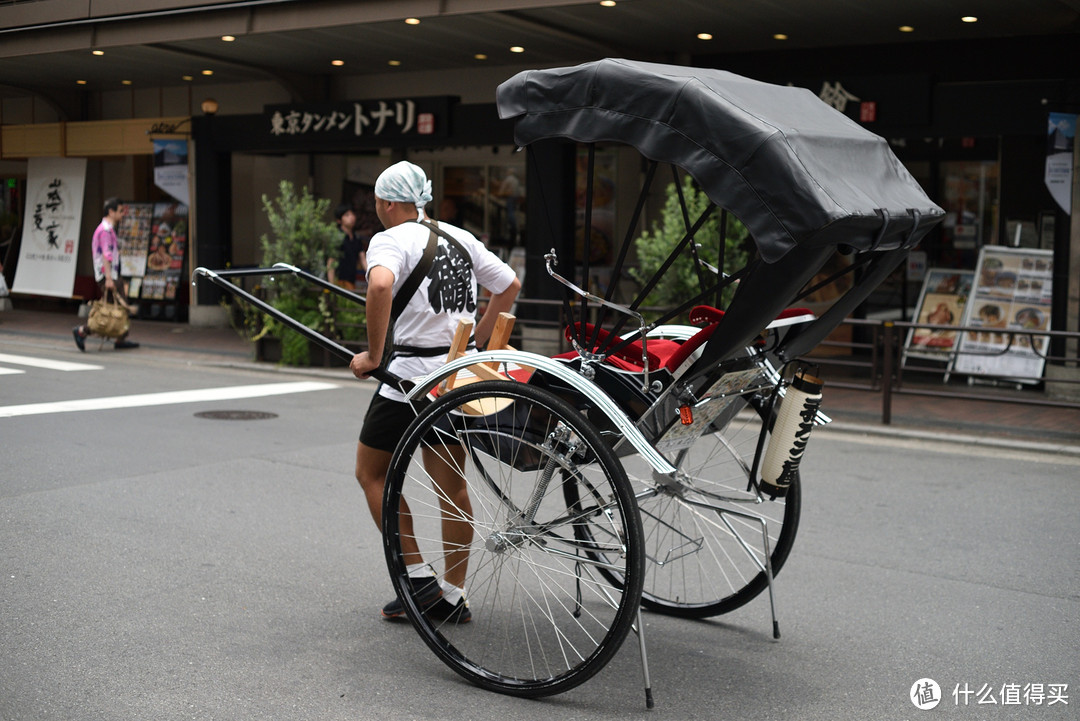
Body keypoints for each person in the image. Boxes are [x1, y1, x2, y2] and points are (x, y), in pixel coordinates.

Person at [350, 161, 520, 623]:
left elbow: (381, 283)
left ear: (386, 202)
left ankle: (419, 577)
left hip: (406, 380)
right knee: (452, 489)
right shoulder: (461, 238)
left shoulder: (388, 239)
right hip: (453, 378)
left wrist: (372, 353)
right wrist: (477, 345)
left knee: (372, 473)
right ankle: (453, 594)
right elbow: (508, 286)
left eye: (377, 203)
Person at [73, 197, 138, 351]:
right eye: (120, 211)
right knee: (109, 309)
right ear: (111, 211)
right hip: (108, 276)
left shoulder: (106, 229)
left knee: (117, 305)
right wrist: (109, 278)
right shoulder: (105, 231)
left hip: (111, 275)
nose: (122, 214)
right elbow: (106, 255)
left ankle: (120, 336)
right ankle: (83, 331)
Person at [326, 203, 368, 291]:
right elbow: (331, 261)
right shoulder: (336, 237)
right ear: (339, 220)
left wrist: (372, 276)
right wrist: (331, 285)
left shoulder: (356, 238)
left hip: (351, 281)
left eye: (352, 214)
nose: (351, 217)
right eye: (347, 215)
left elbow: (363, 259)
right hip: (339, 280)